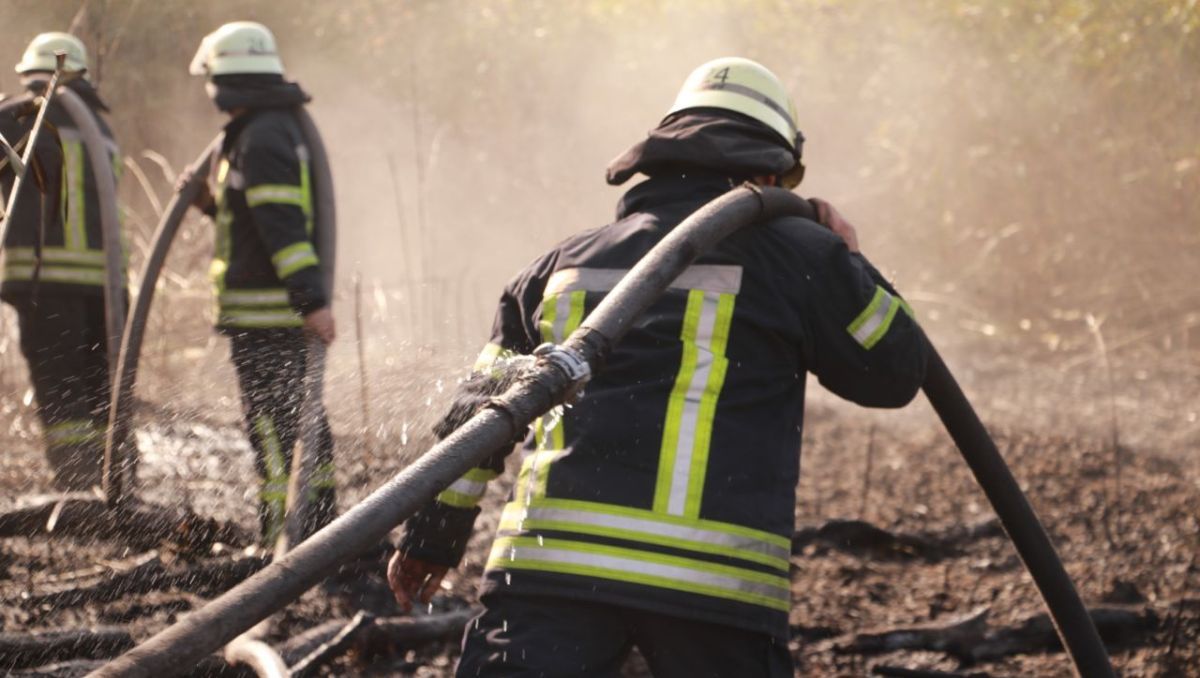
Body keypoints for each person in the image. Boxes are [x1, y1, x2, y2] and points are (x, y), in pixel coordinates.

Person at [388, 57, 930, 677]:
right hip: (714, 589)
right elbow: (895, 370)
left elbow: (476, 419)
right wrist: (848, 263)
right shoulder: (802, 257)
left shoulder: (559, 268)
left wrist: (431, 540)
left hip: (550, 572)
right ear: (767, 170)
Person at [185, 21, 336, 544]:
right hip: (267, 314)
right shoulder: (260, 130)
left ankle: (287, 541)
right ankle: (317, 535)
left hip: (271, 316)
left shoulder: (264, 133)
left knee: (277, 434)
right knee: (292, 427)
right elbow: (254, 223)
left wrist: (310, 301)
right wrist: (209, 204)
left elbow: (283, 227)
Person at [0, 32, 122, 491]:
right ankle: (115, 484)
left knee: (60, 388)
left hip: (46, 279)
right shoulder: (101, 128)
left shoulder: (16, 116)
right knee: (101, 391)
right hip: (105, 288)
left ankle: (77, 487)